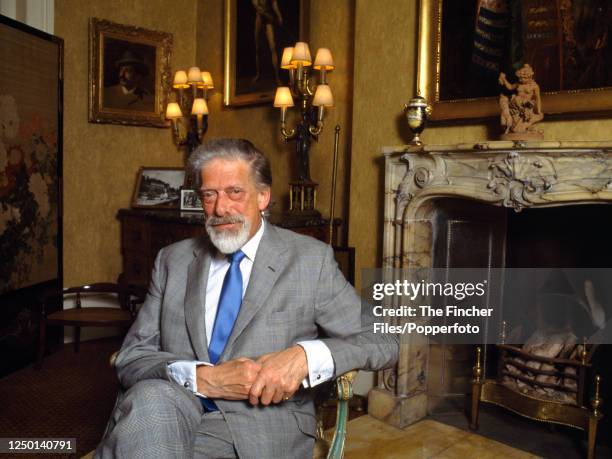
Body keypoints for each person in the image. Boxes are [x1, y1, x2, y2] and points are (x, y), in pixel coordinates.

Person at [95, 139, 398, 458]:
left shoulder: (310, 260)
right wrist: (203, 379)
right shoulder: (174, 260)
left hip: (260, 426)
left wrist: (305, 357)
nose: (220, 208)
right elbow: (131, 356)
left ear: (263, 196)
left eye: (234, 192)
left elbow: (385, 340)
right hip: (173, 408)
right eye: (209, 195)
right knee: (150, 402)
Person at [251, 0, 283, 85]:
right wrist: (269, 16)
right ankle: (258, 74)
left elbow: (274, 4)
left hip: (268, 20)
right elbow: (258, 8)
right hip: (260, 19)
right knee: (258, 48)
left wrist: (279, 16)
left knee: (272, 47)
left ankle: (277, 77)